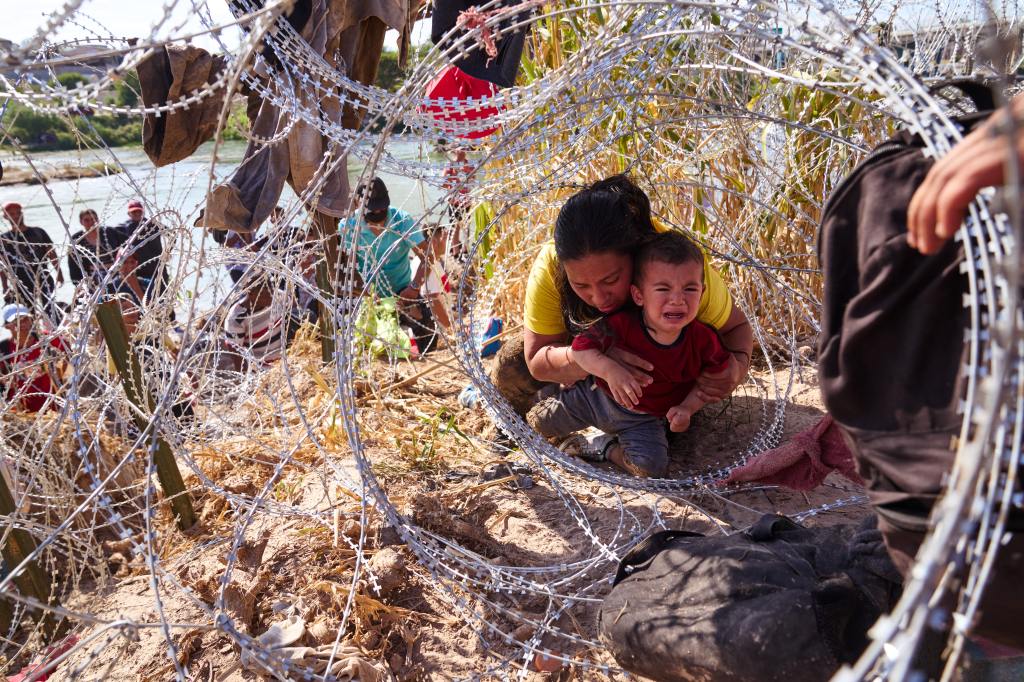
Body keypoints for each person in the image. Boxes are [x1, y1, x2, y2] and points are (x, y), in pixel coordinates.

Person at [492, 174, 753, 420]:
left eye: (611, 280)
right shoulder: (551, 265)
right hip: (588, 362)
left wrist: (736, 368)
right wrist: (597, 361)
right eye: (580, 285)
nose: (598, 297)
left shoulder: (677, 268)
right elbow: (537, 360)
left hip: (661, 388)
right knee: (511, 363)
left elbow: (738, 328)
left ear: (637, 254)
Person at [528, 232, 732, 477]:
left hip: (643, 419)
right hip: (594, 399)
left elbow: (712, 380)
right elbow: (582, 348)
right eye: (663, 289)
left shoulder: (703, 340)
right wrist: (609, 370)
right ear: (638, 295)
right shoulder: (620, 325)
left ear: (702, 291)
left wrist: (687, 408)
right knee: (537, 423)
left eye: (689, 289)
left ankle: (603, 447)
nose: (677, 300)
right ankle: (551, 394)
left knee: (650, 468)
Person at [341, 177, 439, 354]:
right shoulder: (349, 227)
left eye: (382, 208)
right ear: (357, 204)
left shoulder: (402, 221)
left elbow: (427, 256)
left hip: (404, 293)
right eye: (373, 209)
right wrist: (366, 292)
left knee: (427, 341)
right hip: (368, 296)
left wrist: (414, 287)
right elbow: (346, 267)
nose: (378, 213)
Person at [0, 304, 68, 413]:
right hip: (22, 413)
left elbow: (70, 353)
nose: (22, 324)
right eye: (17, 321)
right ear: (7, 326)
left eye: (25, 319)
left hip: (54, 409)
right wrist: (5, 382)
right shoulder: (4, 350)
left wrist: (62, 370)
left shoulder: (45, 339)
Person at [0, 202, 62, 319]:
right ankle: (36, 335)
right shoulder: (4, 239)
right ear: (6, 217)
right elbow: (3, 265)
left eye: (18, 212)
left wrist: (59, 273)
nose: (16, 216)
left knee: (50, 310)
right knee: (28, 315)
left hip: (43, 276)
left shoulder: (38, 232)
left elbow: (51, 253)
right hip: (21, 281)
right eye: (12, 214)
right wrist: (5, 286)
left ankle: (54, 332)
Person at [68, 208, 145, 300]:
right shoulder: (77, 240)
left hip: (114, 272)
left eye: (93, 219)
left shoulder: (108, 233)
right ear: (81, 222)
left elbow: (128, 244)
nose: (90, 222)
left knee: (121, 298)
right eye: (86, 220)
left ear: (97, 220)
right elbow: (73, 264)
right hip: (93, 277)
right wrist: (78, 284)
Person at [222, 276, 294, 371]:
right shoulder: (236, 318)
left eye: (272, 289)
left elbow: (294, 315)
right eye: (266, 294)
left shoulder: (278, 297)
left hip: (290, 358)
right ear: (251, 293)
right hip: (263, 370)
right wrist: (244, 379)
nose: (271, 296)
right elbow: (236, 353)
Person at [118, 199, 169, 304]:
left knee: (163, 295)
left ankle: (167, 317)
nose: (137, 214)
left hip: (158, 265)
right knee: (144, 298)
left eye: (139, 211)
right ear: (129, 214)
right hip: (140, 268)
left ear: (143, 212)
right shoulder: (125, 227)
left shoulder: (153, 224)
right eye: (133, 212)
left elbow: (172, 234)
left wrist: (168, 251)